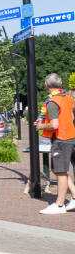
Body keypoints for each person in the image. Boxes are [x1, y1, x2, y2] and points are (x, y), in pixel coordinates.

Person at [36, 73, 75, 214]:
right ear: (61, 84)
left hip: (61, 139)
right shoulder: (68, 99)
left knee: (60, 172)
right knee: (58, 169)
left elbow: (54, 125)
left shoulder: (52, 102)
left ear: (46, 85)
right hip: (71, 136)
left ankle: (59, 205)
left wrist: (41, 127)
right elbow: (70, 117)